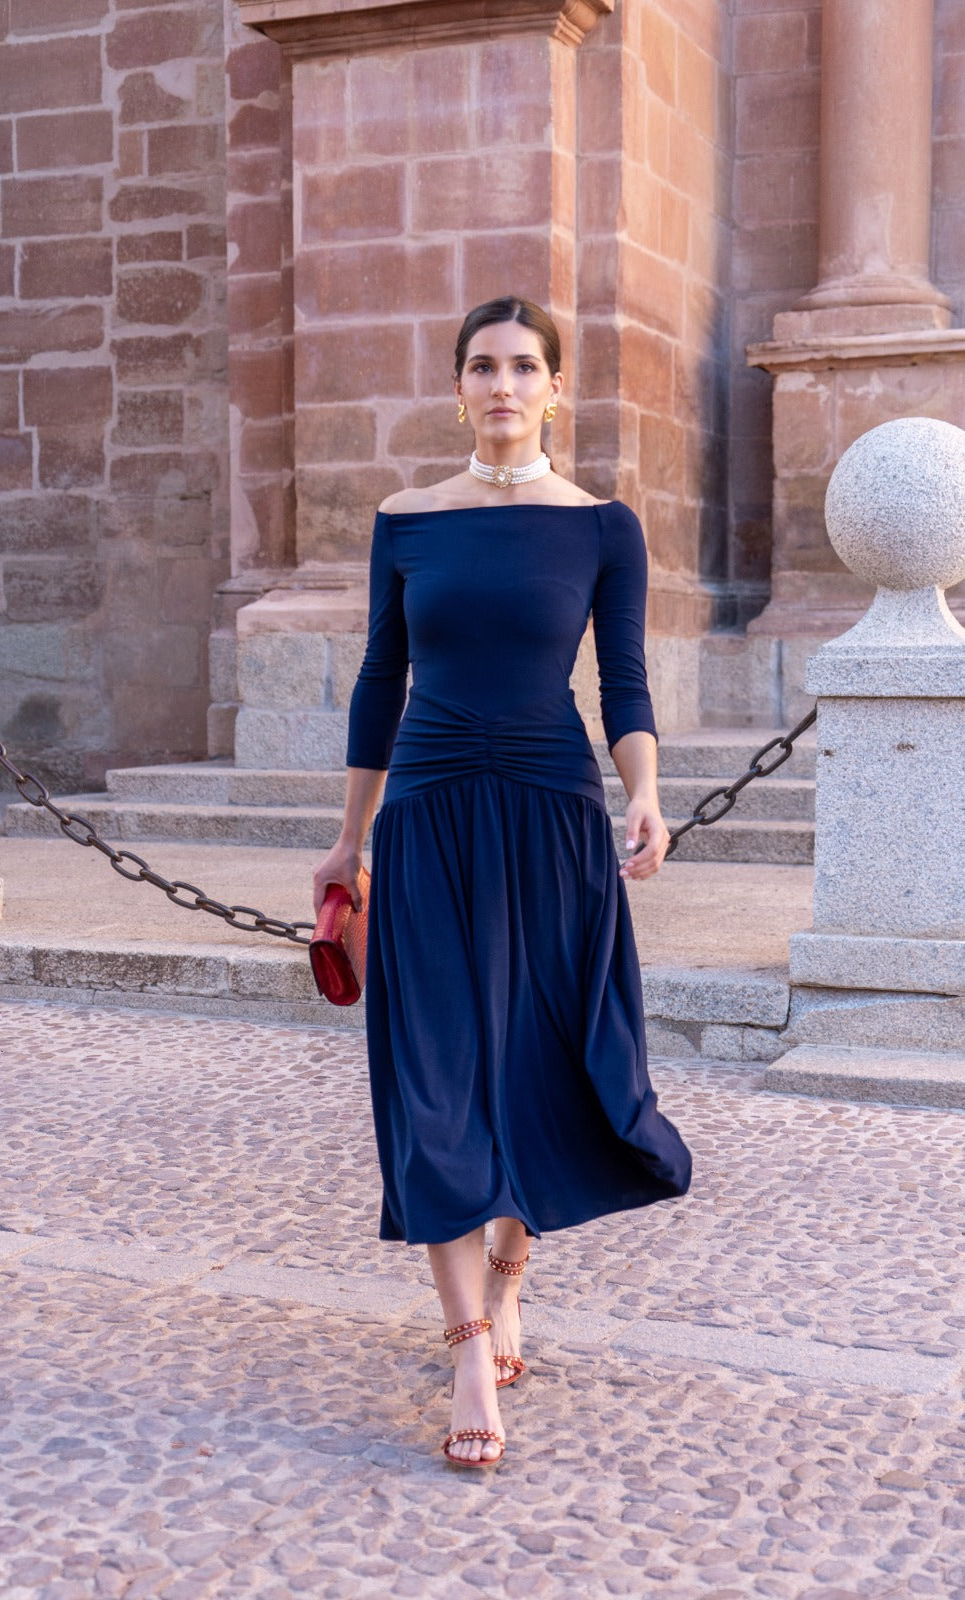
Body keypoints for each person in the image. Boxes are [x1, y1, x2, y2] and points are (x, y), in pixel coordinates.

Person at [312, 295, 692, 1470]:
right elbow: (379, 680)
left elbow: (622, 680)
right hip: (427, 816)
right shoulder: (406, 521)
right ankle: (468, 1343)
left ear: (555, 387)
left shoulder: (602, 528)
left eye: (524, 366)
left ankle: (511, 1278)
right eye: (482, 366)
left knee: (539, 1062)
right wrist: (349, 838)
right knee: (433, 1073)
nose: (502, 385)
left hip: (549, 812)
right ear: (457, 386)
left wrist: (643, 790)